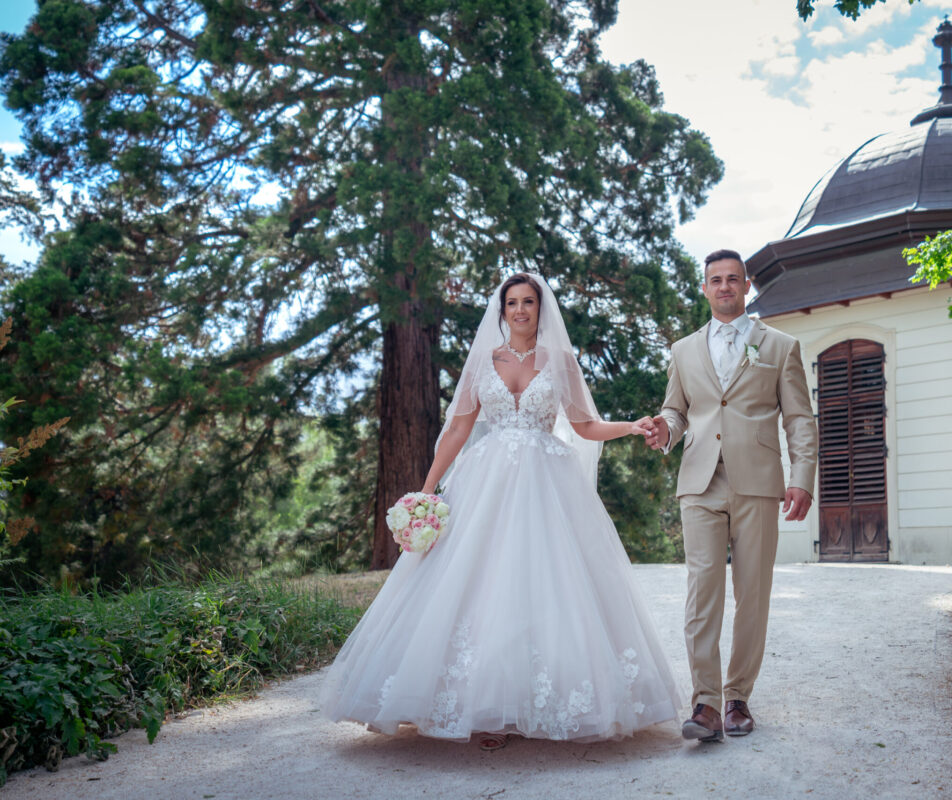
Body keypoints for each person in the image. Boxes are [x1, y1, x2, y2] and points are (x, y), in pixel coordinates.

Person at [320, 272, 681, 750]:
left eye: (528, 301)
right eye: (512, 302)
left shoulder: (560, 361)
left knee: (544, 584)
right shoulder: (482, 362)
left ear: (540, 308)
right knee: (482, 582)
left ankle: (535, 704)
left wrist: (631, 426)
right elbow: (457, 430)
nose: (520, 310)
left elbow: (585, 426)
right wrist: (426, 492)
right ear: (502, 310)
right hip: (485, 482)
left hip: (547, 486)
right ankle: (484, 709)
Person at [645, 249, 817, 742]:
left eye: (732, 279)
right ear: (704, 288)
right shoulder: (683, 350)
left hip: (758, 482)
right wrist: (665, 429)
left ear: (746, 286)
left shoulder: (780, 346)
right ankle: (705, 703)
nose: (724, 287)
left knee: (752, 593)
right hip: (699, 482)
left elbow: (798, 417)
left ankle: (738, 696)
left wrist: (802, 476)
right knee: (703, 590)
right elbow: (676, 410)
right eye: (715, 280)